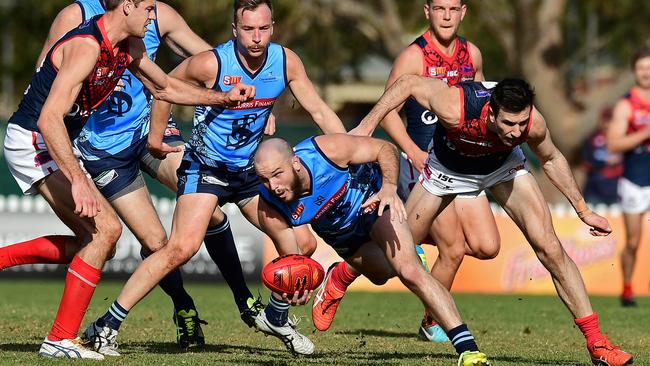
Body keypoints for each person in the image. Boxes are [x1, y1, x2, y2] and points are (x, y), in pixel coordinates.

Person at [82, 0, 346, 356]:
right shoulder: (212, 62)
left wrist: (347, 150)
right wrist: (156, 138)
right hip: (206, 169)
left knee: (297, 243)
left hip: (249, 172)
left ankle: (276, 315)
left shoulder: (286, 62)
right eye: (248, 29)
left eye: (263, 29)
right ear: (235, 30)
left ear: (273, 28)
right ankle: (106, 325)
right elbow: (166, 89)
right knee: (181, 248)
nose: (256, 38)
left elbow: (318, 109)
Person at [1, 0, 254, 359]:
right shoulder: (87, 46)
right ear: (127, 6)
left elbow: (164, 88)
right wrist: (78, 179)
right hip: (33, 140)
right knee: (106, 231)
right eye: (148, 9)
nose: (154, 17)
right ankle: (59, 339)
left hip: (50, 140)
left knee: (99, 241)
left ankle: (6, 264)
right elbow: (49, 119)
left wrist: (223, 98)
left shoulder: (127, 46)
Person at [353, 76, 634, 365]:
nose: (515, 132)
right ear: (490, 112)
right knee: (396, 254)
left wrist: (583, 210)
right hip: (446, 172)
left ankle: (598, 343)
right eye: (508, 124)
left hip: (503, 168)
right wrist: (368, 124)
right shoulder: (455, 105)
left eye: (521, 123)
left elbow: (550, 159)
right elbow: (408, 82)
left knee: (550, 249)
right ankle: (344, 274)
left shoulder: (533, 123)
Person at [254, 136, 490, 365]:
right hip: (342, 237)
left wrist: (388, 187)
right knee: (382, 274)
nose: (273, 187)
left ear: (295, 163)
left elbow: (385, 148)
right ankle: (341, 273)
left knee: (410, 271)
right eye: (264, 180)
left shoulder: (327, 151)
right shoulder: (270, 209)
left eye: (277, 175)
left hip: (373, 202)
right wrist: (297, 287)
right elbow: (294, 261)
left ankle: (469, 350)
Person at [344, 0, 498, 342]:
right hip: (428, 164)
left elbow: (484, 104)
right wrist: (412, 152)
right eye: (439, 8)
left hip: (466, 163)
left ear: (463, 12)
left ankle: (384, 246)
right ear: (427, 11)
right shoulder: (414, 56)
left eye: (453, 9)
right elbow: (386, 110)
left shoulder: (472, 54)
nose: (446, 15)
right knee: (454, 247)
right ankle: (433, 321)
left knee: (487, 246)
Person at [607, 45, 650, 308]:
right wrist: (644, 134)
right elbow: (613, 144)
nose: (647, 72)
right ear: (634, 72)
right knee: (633, 241)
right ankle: (627, 288)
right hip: (634, 179)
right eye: (642, 68)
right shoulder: (627, 104)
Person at [581, 108, 623, 205]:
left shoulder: (624, 138)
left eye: (610, 120)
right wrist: (606, 161)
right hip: (595, 189)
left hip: (617, 190)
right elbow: (585, 163)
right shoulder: (592, 138)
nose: (607, 123)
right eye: (605, 119)